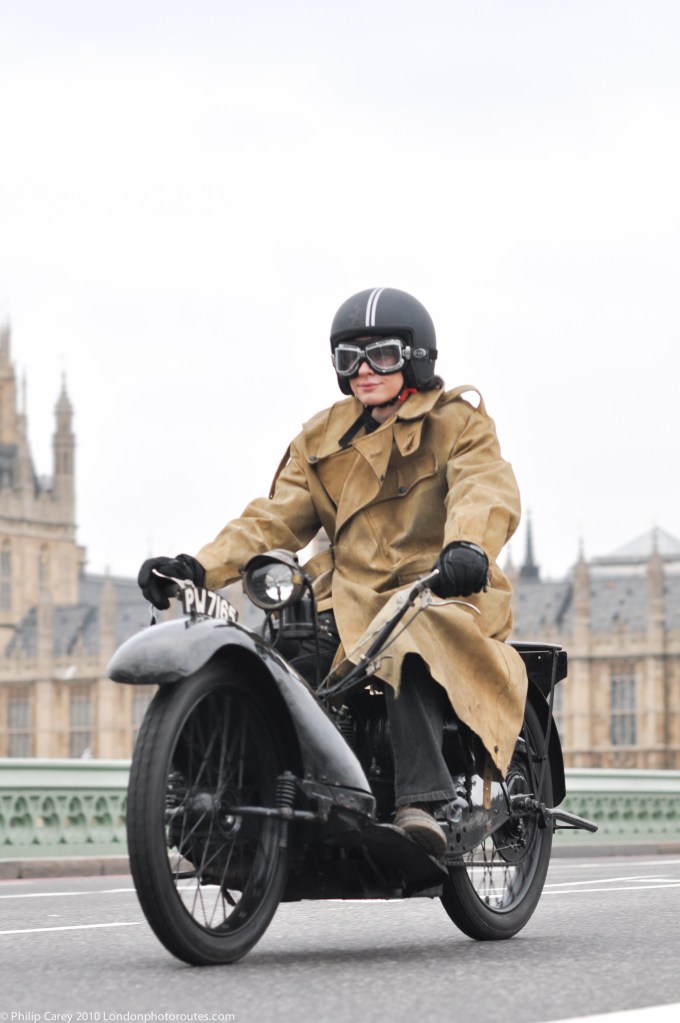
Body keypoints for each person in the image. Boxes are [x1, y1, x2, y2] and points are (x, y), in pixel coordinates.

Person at [138, 287, 527, 858]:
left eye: (383, 355)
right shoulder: (321, 438)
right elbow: (274, 519)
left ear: (416, 357)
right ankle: (269, 799)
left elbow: (482, 487)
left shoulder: (458, 424)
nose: (365, 370)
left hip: (442, 590)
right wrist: (200, 566)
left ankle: (425, 800)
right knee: (281, 654)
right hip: (351, 595)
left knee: (409, 637)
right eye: (350, 358)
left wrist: (467, 545)